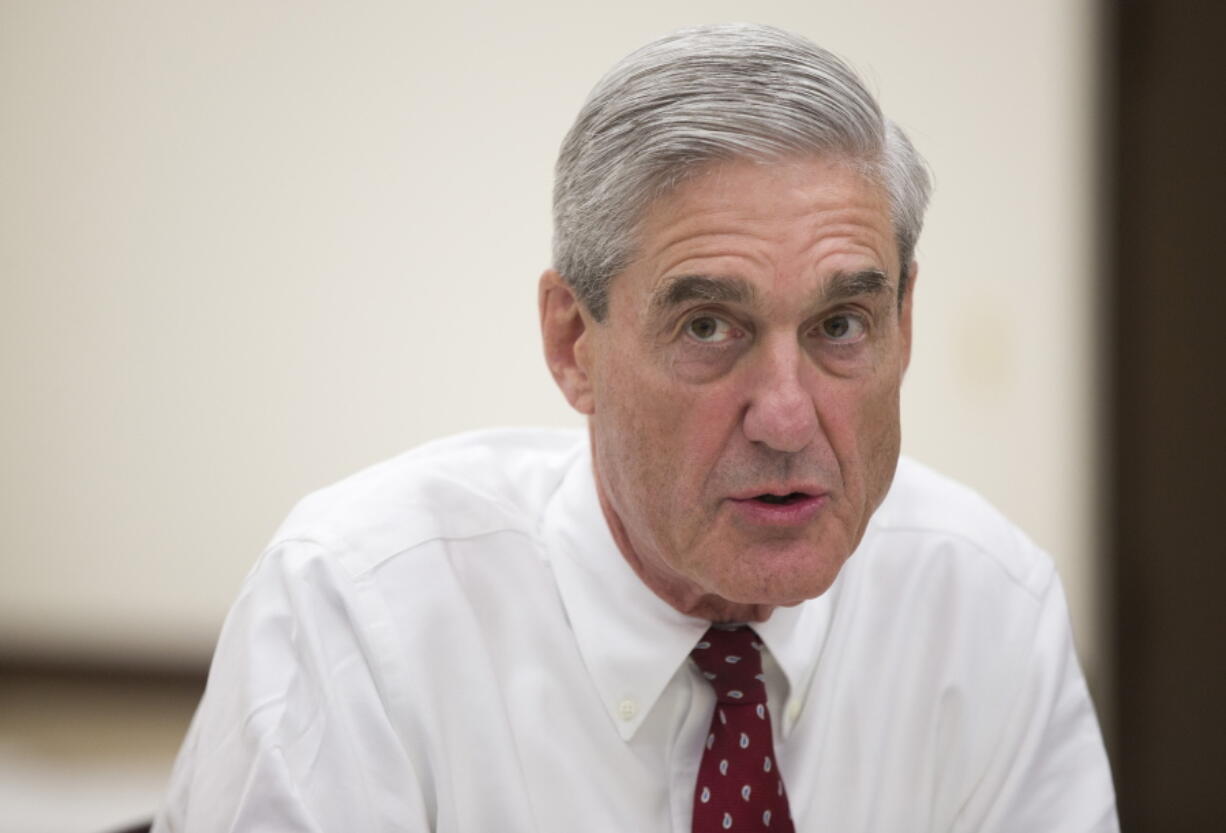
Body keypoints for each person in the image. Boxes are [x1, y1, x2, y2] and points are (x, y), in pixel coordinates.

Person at [153, 24, 1118, 832]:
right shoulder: (358, 613)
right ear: (575, 342)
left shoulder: (984, 609)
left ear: (904, 324)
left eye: (839, 326)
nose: (786, 417)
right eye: (709, 327)